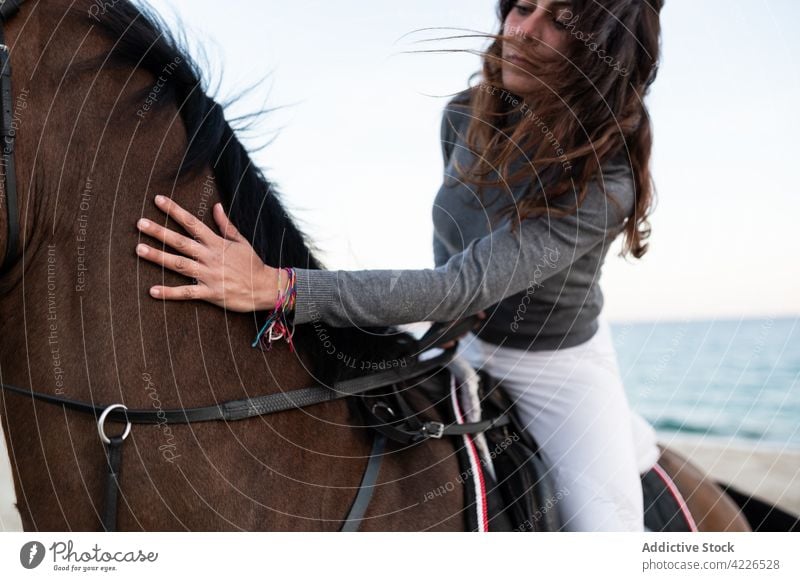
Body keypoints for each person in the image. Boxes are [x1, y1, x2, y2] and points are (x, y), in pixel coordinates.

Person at [134, 0, 665, 531]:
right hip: (459, 334)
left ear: (601, 53)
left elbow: (461, 284)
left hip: (554, 364)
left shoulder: (608, 181)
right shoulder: (463, 115)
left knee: (610, 537)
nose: (525, 32)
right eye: (523, 7)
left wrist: (278, 286)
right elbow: (463, 253)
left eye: (560, 23)